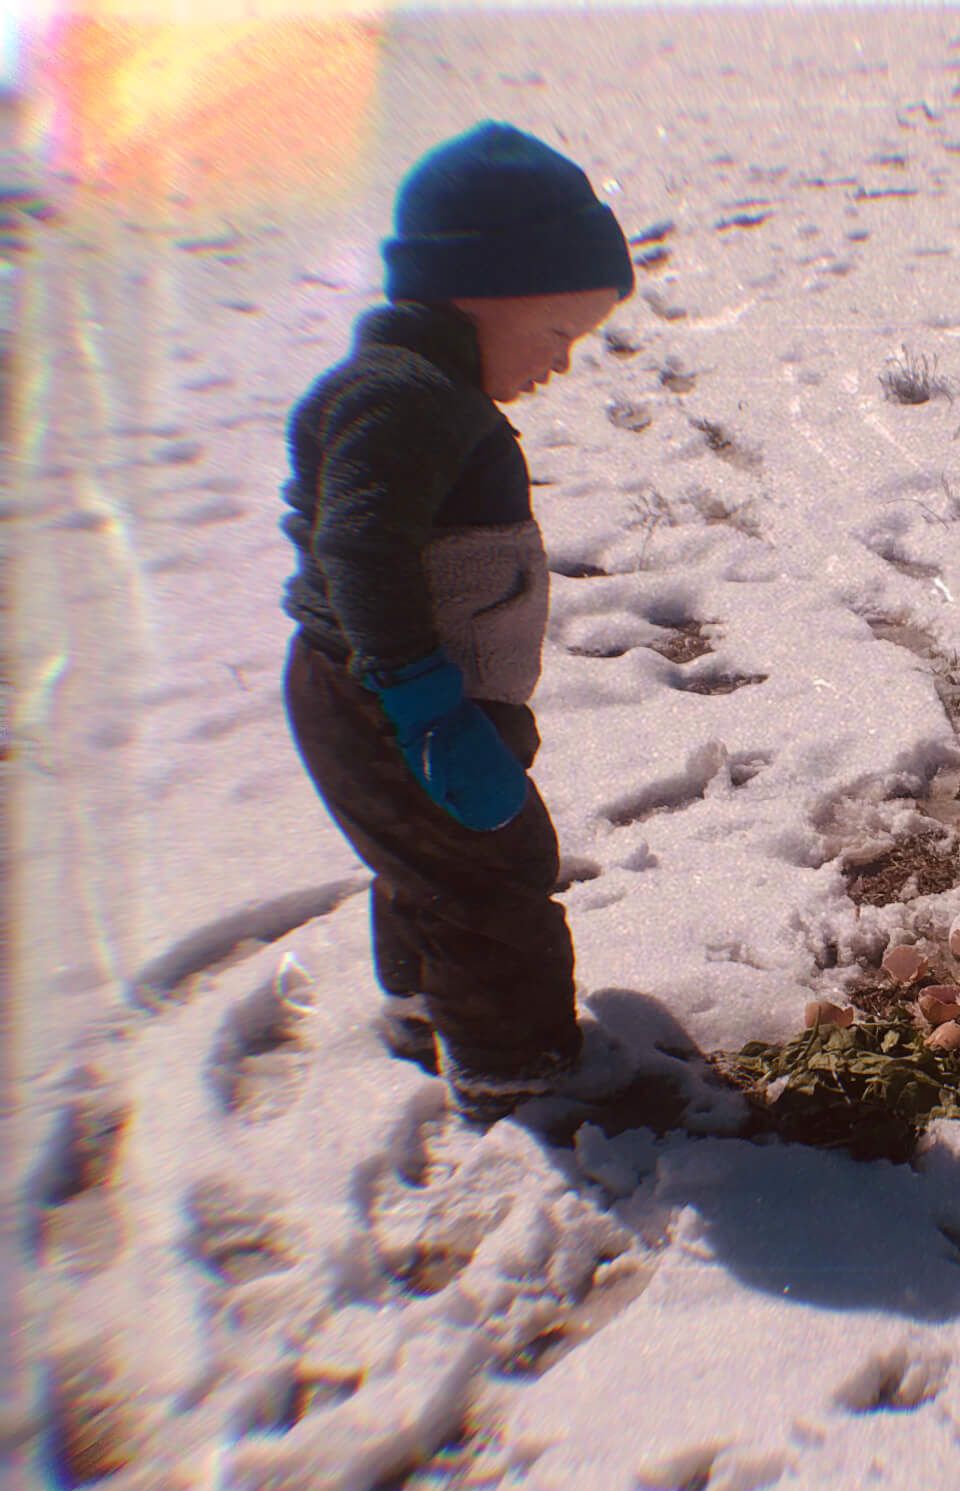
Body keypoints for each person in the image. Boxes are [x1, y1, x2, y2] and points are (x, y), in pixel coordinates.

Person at [279, 121, 632, 1122]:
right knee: (488, 874)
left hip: (398, 686)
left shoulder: (412, 391)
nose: (561, 363)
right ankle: (515, 1070)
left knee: (430, 860)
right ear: (486, 290)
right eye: (558, 334)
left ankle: (426, 1010)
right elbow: (355, 545)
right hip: (385, 693)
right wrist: (424, 701)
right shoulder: (407, 399)